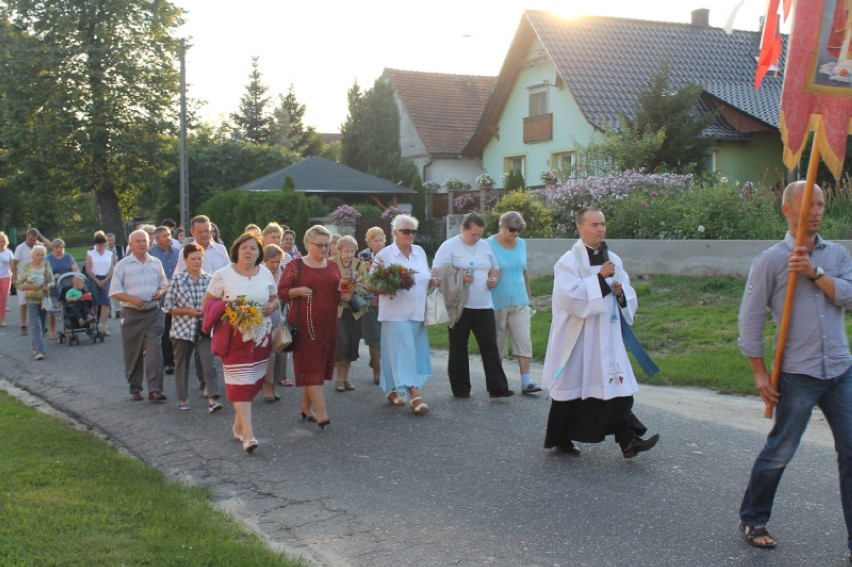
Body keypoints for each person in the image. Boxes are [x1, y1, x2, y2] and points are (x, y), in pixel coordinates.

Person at [737, 181, 852, 553]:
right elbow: (750, 321)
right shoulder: (771, 260)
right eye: (809, 206)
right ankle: (753, 517)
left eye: (821, 204)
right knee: (781, 449)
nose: (818, 211)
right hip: (797, 374)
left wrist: (814, 274)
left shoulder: (836, 254)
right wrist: (759, 373)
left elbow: (849, 295)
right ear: (787, 210)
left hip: (840, 370)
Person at [540, 206, 659, 458]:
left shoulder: (613, 258)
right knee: (572, 389)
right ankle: (561, 437)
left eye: (602, 224)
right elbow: (569, 298)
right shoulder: (568, 262)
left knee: (618, 388)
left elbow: (625, 286)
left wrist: (621, 293)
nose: (601, 229)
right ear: (579, 228)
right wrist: (601, 280)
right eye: (594, 225)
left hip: (608, 334)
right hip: (579, 338)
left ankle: (629, 440)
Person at [204, 233, 278, 453]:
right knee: (240, 385)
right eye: (245, 248)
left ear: (259, 253)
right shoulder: (222, 275)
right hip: (234, 338)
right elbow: (207, 304)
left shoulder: (264, 272)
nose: (249, 252)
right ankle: (249, 435)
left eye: (253, 248)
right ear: (236, 250)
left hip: (260, 338)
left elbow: (275, 297)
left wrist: (273, 306)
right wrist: (230, 305)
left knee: (253, 383)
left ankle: (238, 425)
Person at [432, 212, 513, 398]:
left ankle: (497, 386)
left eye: (479, 234)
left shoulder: (485, 246)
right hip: (460, 305)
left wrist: (493, 278)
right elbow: (437, 272)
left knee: (490, 346)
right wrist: (459, 275)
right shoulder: (449, 245)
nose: (476, 238)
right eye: (473, 234)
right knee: (459, 346)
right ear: (463, 229)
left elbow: (495, 268)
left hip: (484, 305)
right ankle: (461, 388)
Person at [278, 225, 347, 430]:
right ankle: (322, 413)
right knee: (312, 366)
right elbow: (281, 292)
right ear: (308, 243)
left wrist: (343, 296)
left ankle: (305, 405)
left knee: (317, 367)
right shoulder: (295, 265)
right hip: (305, 326)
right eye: (319, 245)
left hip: (329, 325)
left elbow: (337, 293)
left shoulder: (333, 266)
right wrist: (296, 290)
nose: (324, 249)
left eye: (327, 245)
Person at [371, 215, 435, 413]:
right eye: (406, 231)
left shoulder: (420, 252)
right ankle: (415, 397)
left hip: (417, 312)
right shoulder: (385, 254)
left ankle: (391, 390)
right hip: (395, 313)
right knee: (405, 353)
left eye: (413, 231)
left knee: (400, 354)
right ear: (395, 233)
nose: (410, 235)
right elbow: (370, 283)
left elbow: (424, 276)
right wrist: (387, 287)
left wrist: (433, 281)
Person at [109, 229, 169, 402]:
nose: (142, 243)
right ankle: (135, 388)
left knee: (154, 350)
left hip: (154, 313)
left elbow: (164, 284)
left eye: (144, 240)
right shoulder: (123, 265)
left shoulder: (156, 262)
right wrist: (131, 299)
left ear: (149, 243)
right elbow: (114, 292)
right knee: (133, 352)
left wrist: (161, 291)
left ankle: (155, 390)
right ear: (131, 245)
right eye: (138, 241)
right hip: (132, 314)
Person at [163, 242, 222, 413]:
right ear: (186, 260)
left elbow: (216, 303)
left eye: (199, 258)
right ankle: (183, 398)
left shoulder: (209, 279)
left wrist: (207, 311)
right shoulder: (177, 280)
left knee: (208, 363)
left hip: (204, 328)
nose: (196, 262)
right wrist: (189, 311)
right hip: (182, 329)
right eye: (193, 259)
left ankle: (213, 398)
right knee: (182, 365)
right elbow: (168, 307)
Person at [487, 212, 542, 395]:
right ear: (502, 226)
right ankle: (499, 383)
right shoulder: (489, 245)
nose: (515, 234)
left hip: (520, 300)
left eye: (519, 230)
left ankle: (526, 382)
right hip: (497, 301)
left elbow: (524, 271)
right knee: (498, 343)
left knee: (523, 339)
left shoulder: (522, 244)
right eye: (512, 230)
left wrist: (529, 296)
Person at [331, 235, 369, 393]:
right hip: (337, 310)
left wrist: (353, 291)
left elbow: (365, 286)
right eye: (346, 251)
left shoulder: (359, 264)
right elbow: (325, 285)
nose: (349, 254)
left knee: (352, 345)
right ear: (339, 250)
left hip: (354, 310)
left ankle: (346, 378)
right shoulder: (331, 263)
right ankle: (338, 379)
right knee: (342, 343)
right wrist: (339, 294)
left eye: (352, 251)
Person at [148, 226, 180, 374]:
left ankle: (179, 359)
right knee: (165, 330)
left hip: (179, 297)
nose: (168, 238)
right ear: (156, 238)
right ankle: (168, 362)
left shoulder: (178, 253)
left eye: (169, 235)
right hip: (161, 298)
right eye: (164, 236)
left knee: (178, 330)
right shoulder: (151, 255)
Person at [358, 226, 386, 384]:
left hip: (387, 302)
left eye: (382, 239)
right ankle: (377, 370)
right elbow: (359, 277)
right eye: (375, 240)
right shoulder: (362, 256)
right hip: (369, 302)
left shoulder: (390, 254)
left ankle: (376, 361)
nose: (379, 243)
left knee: (385, 337)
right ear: (369, 242)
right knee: (374, 337)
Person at [10, 228, 51, 335]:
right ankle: (23, 325)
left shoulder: (39, 246)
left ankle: (41, 325)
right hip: (24, 278)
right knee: (23, 303)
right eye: (30, 240)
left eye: (34, 240)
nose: (32, 242)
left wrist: (40, 234)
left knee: (40, 302)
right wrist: (15, 278)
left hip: (39, 278)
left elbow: (50, 245)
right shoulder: (20, 248)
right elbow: (14, 264)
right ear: (26, 238)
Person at [261, 243, 289, 401]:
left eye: (278, 261)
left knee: (279, 352)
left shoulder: (284, 272)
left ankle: (275, 385)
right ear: (265, 261)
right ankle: (267, 386)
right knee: (266, 354)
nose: (276, 265)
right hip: (263, 317)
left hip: (279, 315)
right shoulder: (260, 273)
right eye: (272, 261)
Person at [17, 245, 53, 360]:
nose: (40, 257)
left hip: (44, 299)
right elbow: (18, 284)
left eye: (42, 255)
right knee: (36, 326)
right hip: (31, 300)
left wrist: (49, 285)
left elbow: (53, 281)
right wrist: (29, 287)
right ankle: (40, 351)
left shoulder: (47, 266)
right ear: (32, 256)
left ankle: (34, 345)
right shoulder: (27, 267)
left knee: (42, 327)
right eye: (38, 255)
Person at [46, 238, 79, 340]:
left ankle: (67, 327)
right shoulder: (49, 258)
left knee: (67, 308)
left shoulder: (68, 257)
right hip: (54, 288)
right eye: (57, 247)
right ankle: (52, 331)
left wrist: (75, 272)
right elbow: (46, 272)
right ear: (53, 248)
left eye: (61, 247)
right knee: (53, 311)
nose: (59, 249)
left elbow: (75, 268)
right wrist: (52, 276)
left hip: (67, 286)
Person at [85, 231, 114, 336]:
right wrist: (97, 281)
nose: (100, 247)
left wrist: (105, 280)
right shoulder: (90, 253)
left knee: (105, 302)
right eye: (98, 245)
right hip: (94, 278)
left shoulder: (109, 253)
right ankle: (94, 324)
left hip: (106, 278)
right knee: (94, 301)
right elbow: (88, 269)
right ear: (94, 244)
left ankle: (103, 326)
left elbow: (112, 268)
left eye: (102, 245)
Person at [106, 232, 125, 318]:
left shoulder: (120, 248)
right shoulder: (104, 250)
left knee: (119, 291)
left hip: (119, 271)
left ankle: (118, 310)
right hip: (108, 273)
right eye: (109, 240)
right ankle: (109, 310)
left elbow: (124, 259)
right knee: (109, 292)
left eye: (112, 240)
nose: (110, 242)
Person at [0, 231, 12, 327]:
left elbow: (12, 265)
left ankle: (1, 320)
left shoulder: (9, 252)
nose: (2, 243)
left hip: (6, 277)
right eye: (0, 241)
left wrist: (14, 276)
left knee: (4, 299)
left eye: (3, 241)